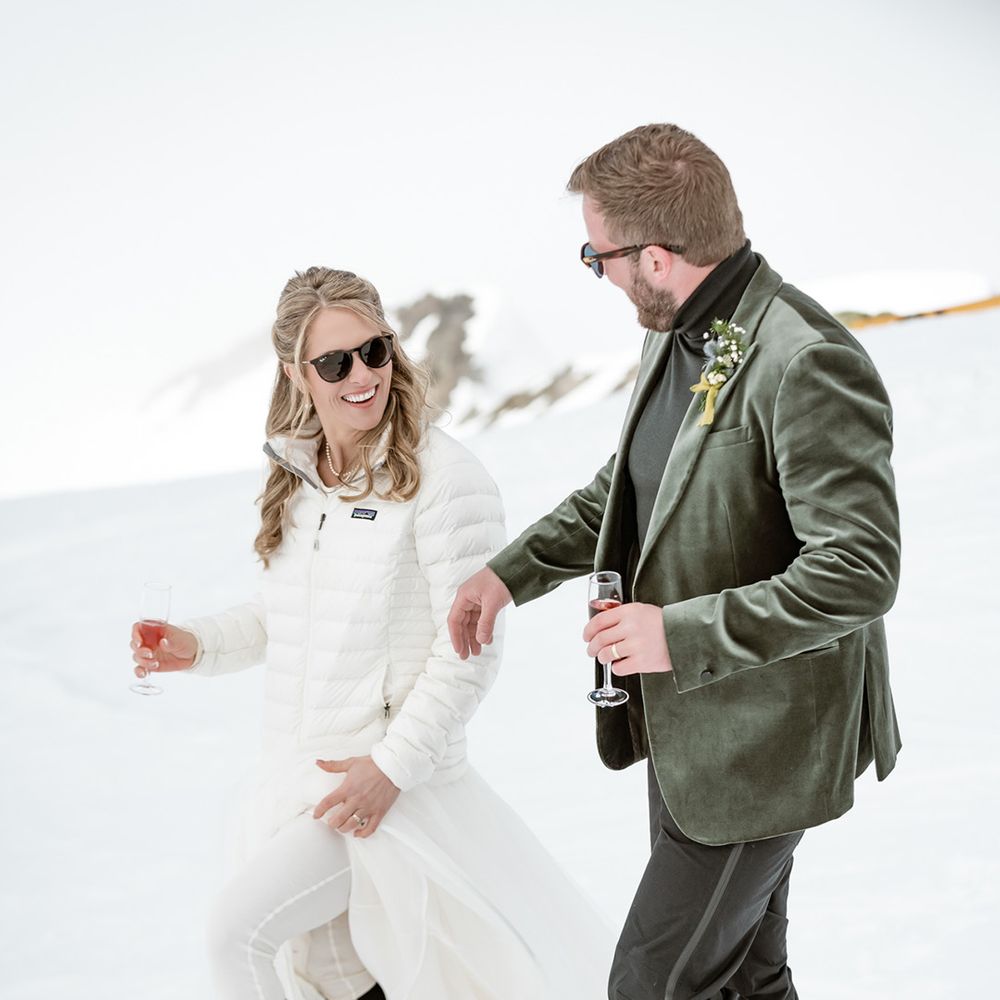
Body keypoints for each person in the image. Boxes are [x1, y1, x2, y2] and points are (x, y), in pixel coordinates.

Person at [448, 123, 902, 1000]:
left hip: (764, 749)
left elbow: (858, 570)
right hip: (687, 736)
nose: (601, 273)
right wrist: (511, 572)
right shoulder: (676, 332)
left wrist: (674, 634)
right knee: (748, 980)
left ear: (656, 258)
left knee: (652, 985)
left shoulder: (807, 361)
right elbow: (630, 492)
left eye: (599, 255)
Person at [130, 267, 613, 1000]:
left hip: (391, 789)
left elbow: (469, 652)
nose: (361, 376)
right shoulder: (300, 475)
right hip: (299, 780)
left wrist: (390, 768)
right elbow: (282, 616)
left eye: (374, 352)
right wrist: (195, 645)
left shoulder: (447, 479)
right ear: (297, 374)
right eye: (335, 362)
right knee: (332, 975)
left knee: (237, 935)